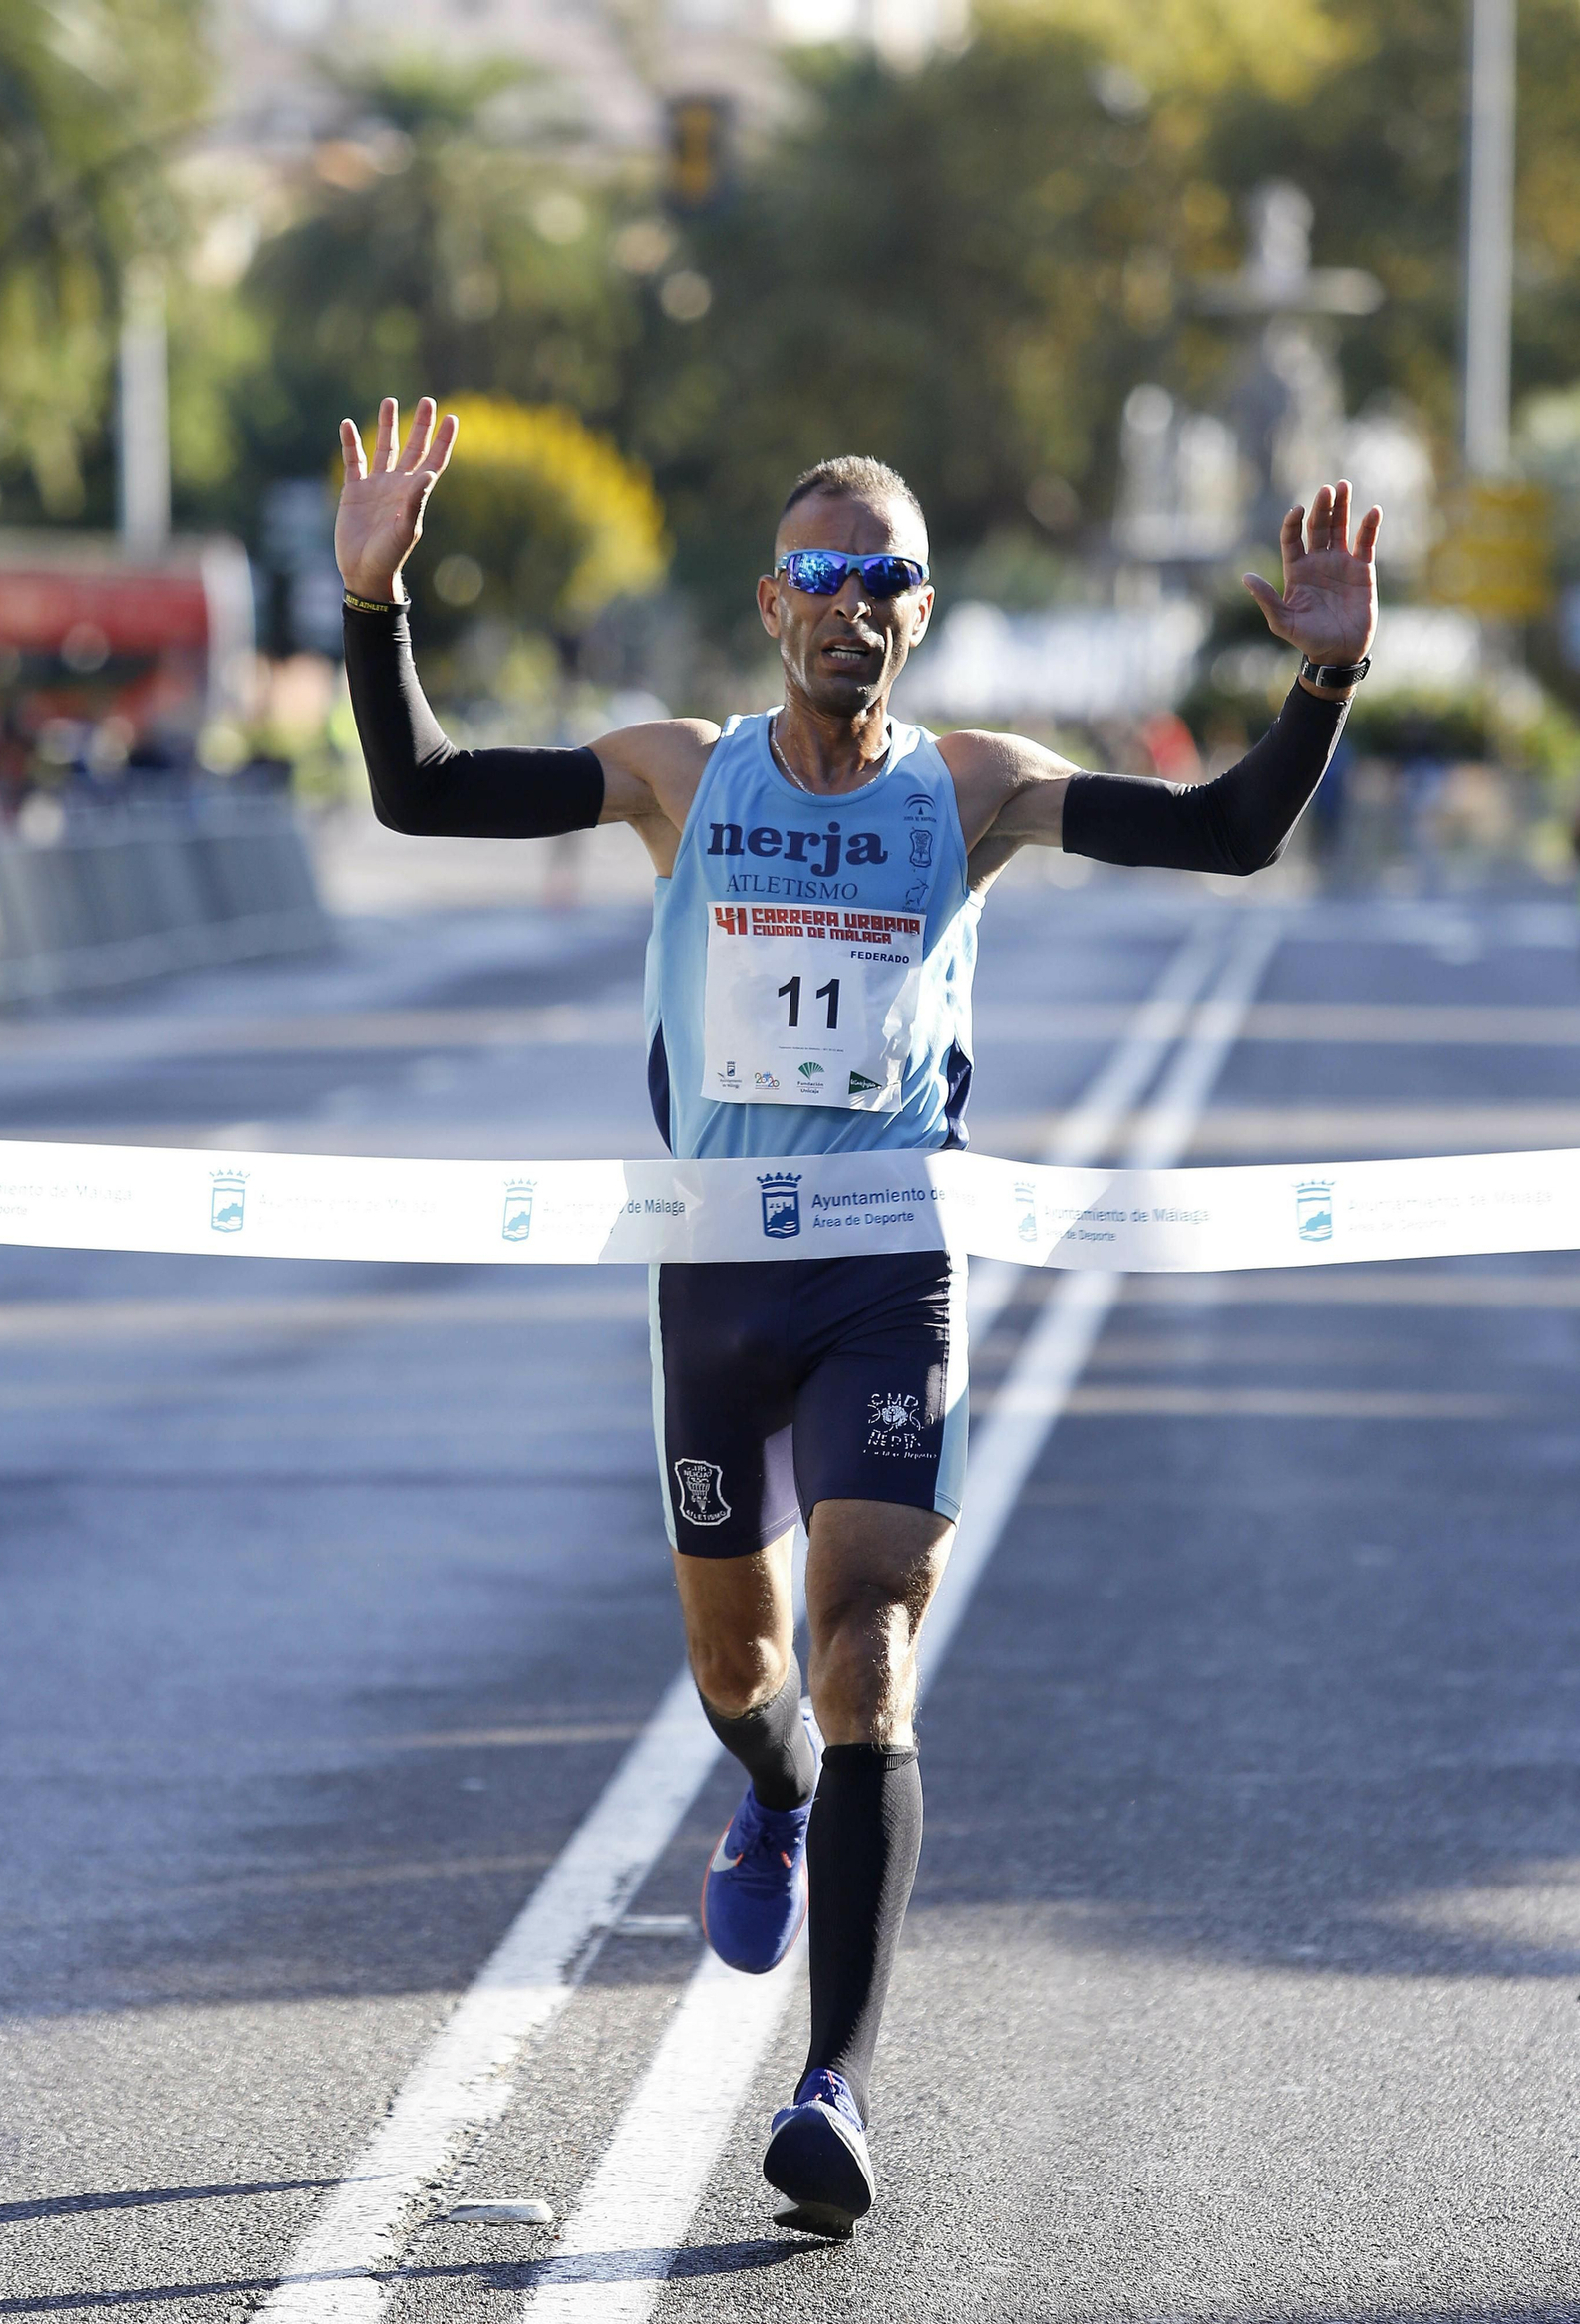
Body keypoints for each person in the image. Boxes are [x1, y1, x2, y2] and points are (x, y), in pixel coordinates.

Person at [336, 395, 1379, 2240]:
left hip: (891, 1269)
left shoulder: (971, 790)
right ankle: (771, 1796)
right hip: (715, 1274)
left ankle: (834, 2089)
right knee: (747, 1684)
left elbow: (1222, 839)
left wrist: (1320, 692)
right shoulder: (680, 770)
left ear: (917, 611)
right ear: (768, 604)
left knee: (868, 1635)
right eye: (819, 572)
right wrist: (372, 610)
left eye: (882, 575)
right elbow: (424, 790)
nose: (850, 602)